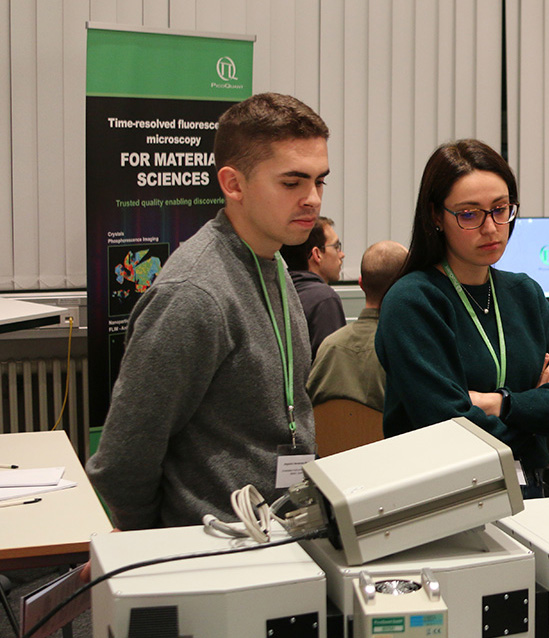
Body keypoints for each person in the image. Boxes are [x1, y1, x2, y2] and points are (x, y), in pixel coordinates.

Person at [87, 93, 329, 529]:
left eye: (320, 181)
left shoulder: (272, 261)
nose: (312, 199)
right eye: (292, 183)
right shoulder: (194, 293)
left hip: (280, 536)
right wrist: (158, 545)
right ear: (233, 184)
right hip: (212, 548)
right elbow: (123, 460)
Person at [376, 139, 549, 497]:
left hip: (537, 494)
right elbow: (449, 429)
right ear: (436, 216)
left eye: (500, 209)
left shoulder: (525, 293)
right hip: (449, 499)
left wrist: (499, 403)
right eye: (469, 214)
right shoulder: (414, 301)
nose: (491, 227)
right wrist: (531, 408)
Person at [307, 240, 409, 411]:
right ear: (406, 287)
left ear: (361, 284)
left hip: (330, 438)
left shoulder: (329, 346)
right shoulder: (407, 351)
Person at [279, 216, 346, 357]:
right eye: (336, 246)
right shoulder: (324, 299)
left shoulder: (280, 292)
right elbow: (332, 366)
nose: (342, 254)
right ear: (317, 254)